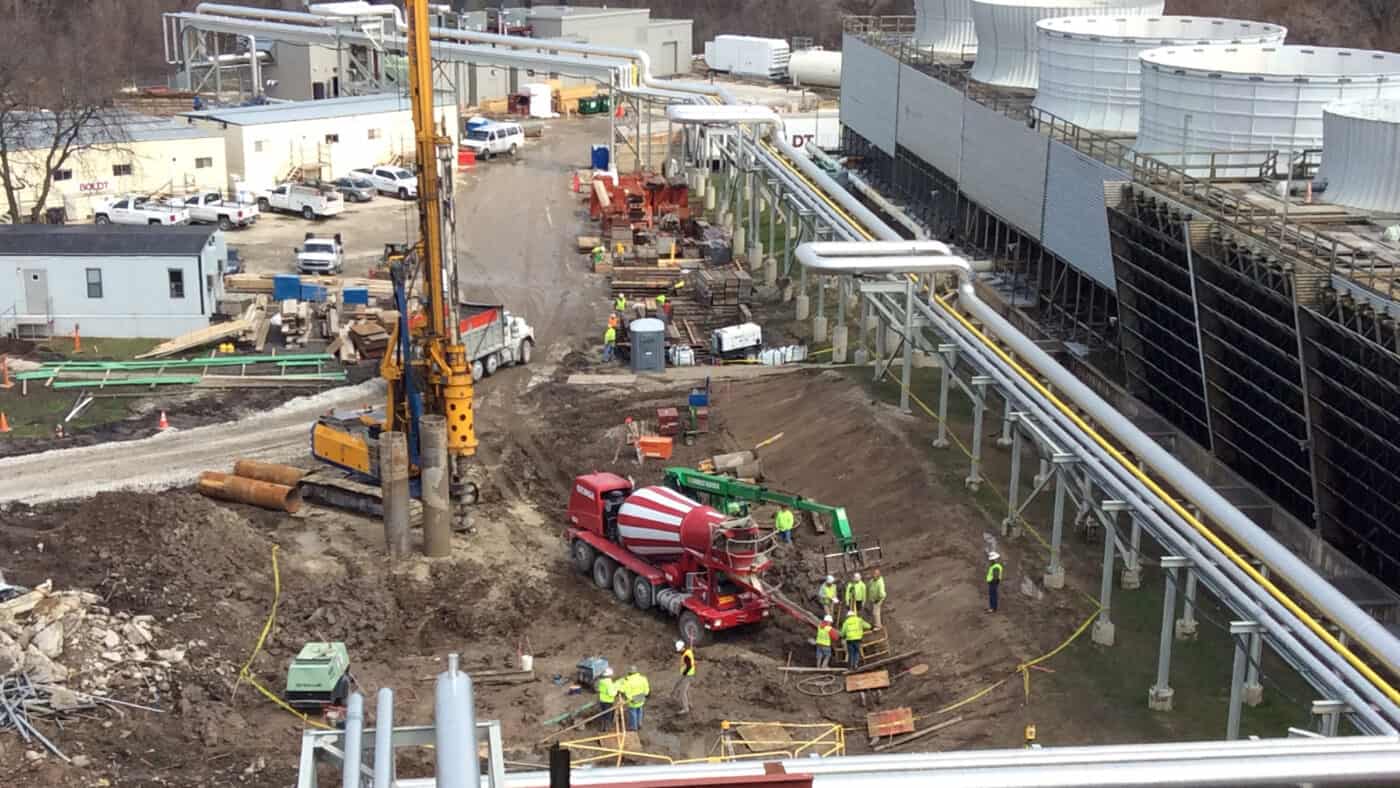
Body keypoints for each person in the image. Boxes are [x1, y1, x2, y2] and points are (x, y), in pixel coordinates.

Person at [619, 665, 650, 731]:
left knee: (633, 713)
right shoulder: (643, 678)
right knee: (640, 711)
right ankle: (639, 724)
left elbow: (626, 692)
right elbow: (646, 690)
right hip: (641, 699)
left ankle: (634, 727)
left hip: (632, 701)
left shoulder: (627, 682)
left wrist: (631, 699)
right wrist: (643, 695)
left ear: (629, 673)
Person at [672, 640, 695, 714]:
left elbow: (689, 666)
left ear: (682, 648)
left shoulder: (686, 655)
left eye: (679, 650)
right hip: (687, 674)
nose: (678, 651)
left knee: (683, 692)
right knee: (685, 689)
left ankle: (686, 708)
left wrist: (684, 674)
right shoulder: (688, 652)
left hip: (687, 675)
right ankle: (690, 703)